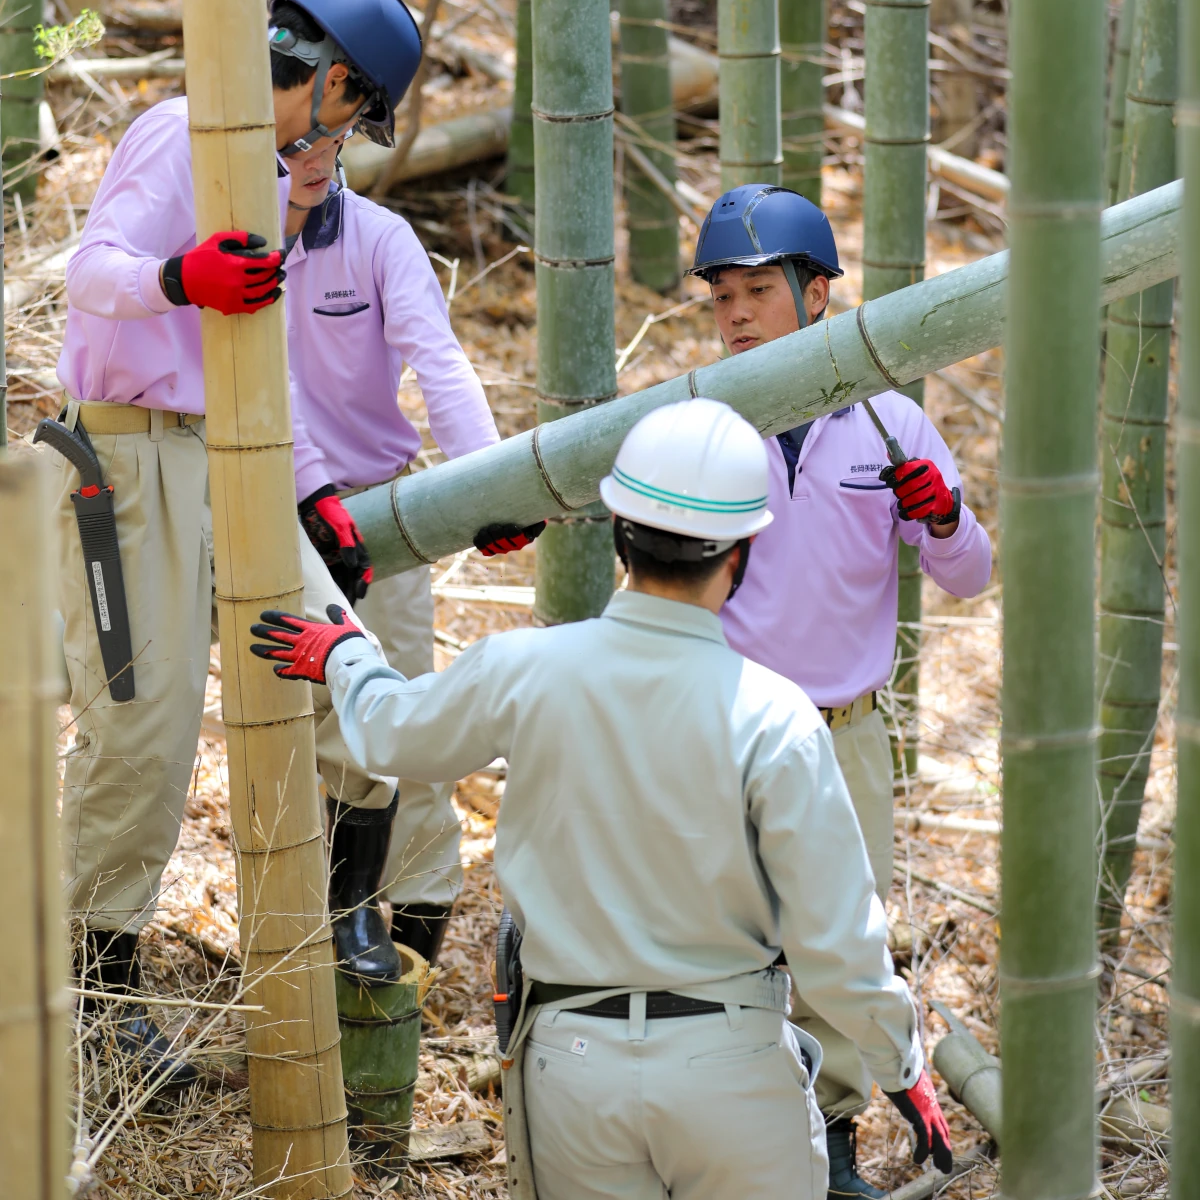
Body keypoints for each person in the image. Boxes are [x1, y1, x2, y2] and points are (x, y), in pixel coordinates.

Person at [250, 398, 955, 1200]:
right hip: (732, 1071)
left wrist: (346, 656)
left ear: (619, 533)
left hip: (571, 1069)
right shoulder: (776, 716)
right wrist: (900, 1065)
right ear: (743, 553)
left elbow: (391, 735)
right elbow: (836, 944)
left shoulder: (524, 667)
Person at [48, 0, 422, 1086]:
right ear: (337, 81)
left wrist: (310, 491)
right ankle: (92, 995)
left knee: (352, 675)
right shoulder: (181, 134)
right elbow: (92, 274)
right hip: (127, 456)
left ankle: (349, 919)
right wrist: (179, 275)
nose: (347, 135)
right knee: (145, 730)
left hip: (232, 459)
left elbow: (259, 366)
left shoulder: (269, 178)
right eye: (358, 109)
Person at [687, 183, 992, 1198]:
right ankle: (722, 1141)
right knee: (724, 933)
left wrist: (942, 517)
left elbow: (969, 575)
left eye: (757, 290)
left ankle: (834, 1146)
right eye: (720, 294)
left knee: (836, 941)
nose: (734, 313)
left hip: (843, 731)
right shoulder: (696, 418)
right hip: (722, 728)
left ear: (816, 294)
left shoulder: (889, 419)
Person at [273, 0, 541, 978]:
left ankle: (411, 932)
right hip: (267, 515)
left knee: (400, 731)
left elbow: (441, 362)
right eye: (288, 141)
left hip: (379, 525)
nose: (302, 159)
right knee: (284, 732)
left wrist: (485, 486)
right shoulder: (229, 224)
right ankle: (294, 935)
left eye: (323, 141)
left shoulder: (380, 243)